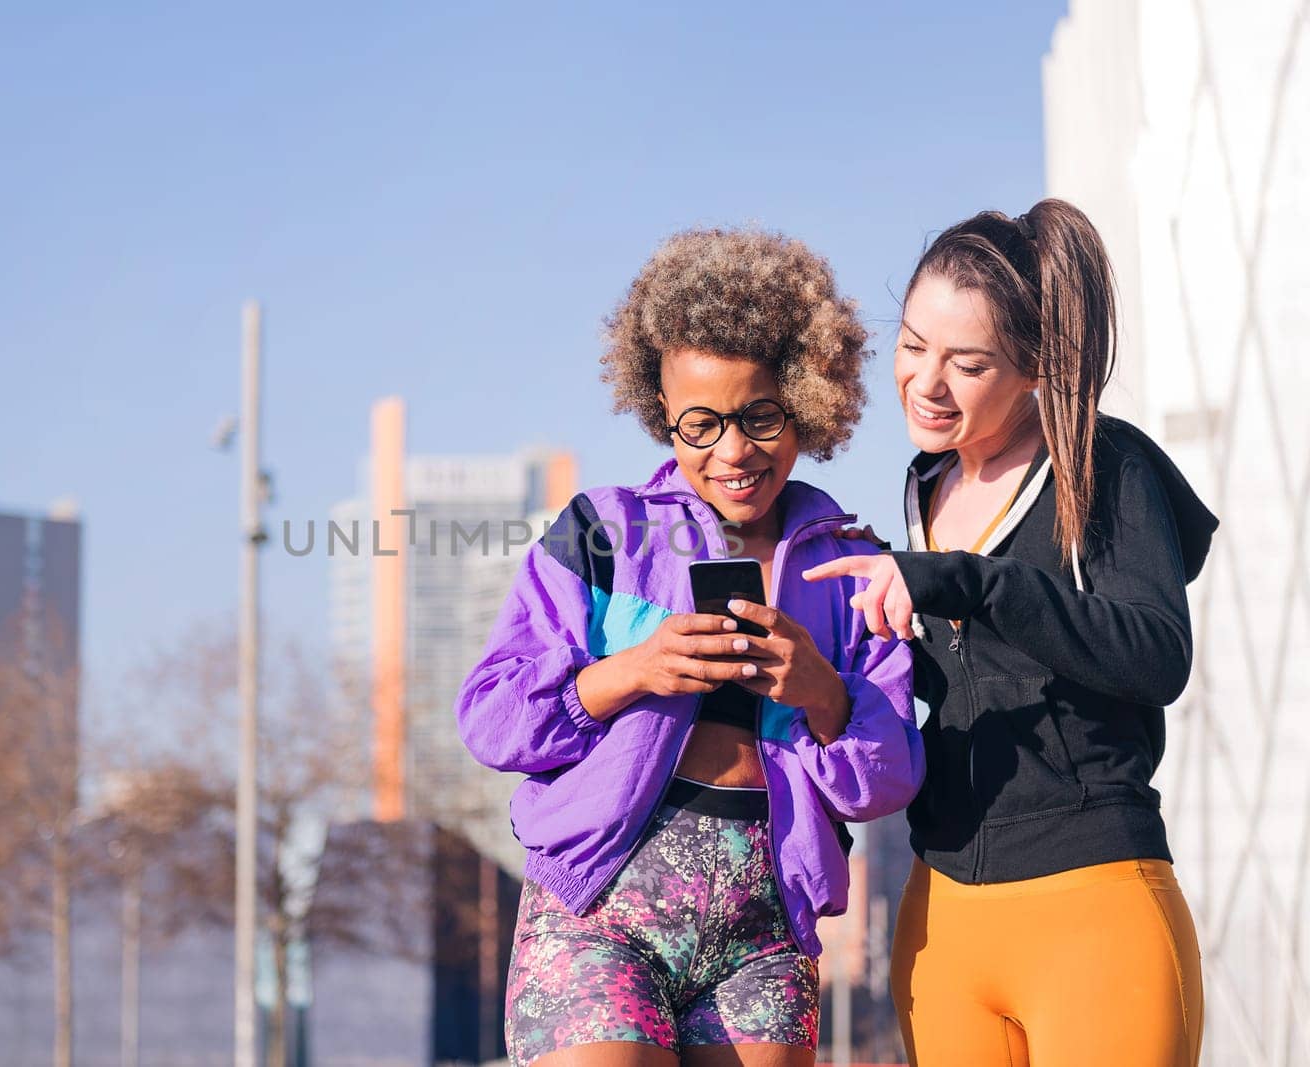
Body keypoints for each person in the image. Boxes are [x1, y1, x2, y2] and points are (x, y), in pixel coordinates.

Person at [456, 227, 925, 1067]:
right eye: (700, 424)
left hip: (765, 929)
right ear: (662, 416)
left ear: (807, 401)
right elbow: (490, 718)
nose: (733, 451)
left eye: (760, 416)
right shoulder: (603, 534)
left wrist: (822, 691)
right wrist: (630, 672)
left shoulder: (856, 566)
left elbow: (886, 778)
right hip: (599, 908)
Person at [804, 199, 1217, 1066]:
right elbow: (967, 681)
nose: (926, 382)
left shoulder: (1099, 464)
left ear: (1031, 366)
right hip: (943, 915)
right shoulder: (923, 489)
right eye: (912, 347)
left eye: (968, 363)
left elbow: (1155, 651)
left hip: (1093, 901)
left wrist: (969, 581)